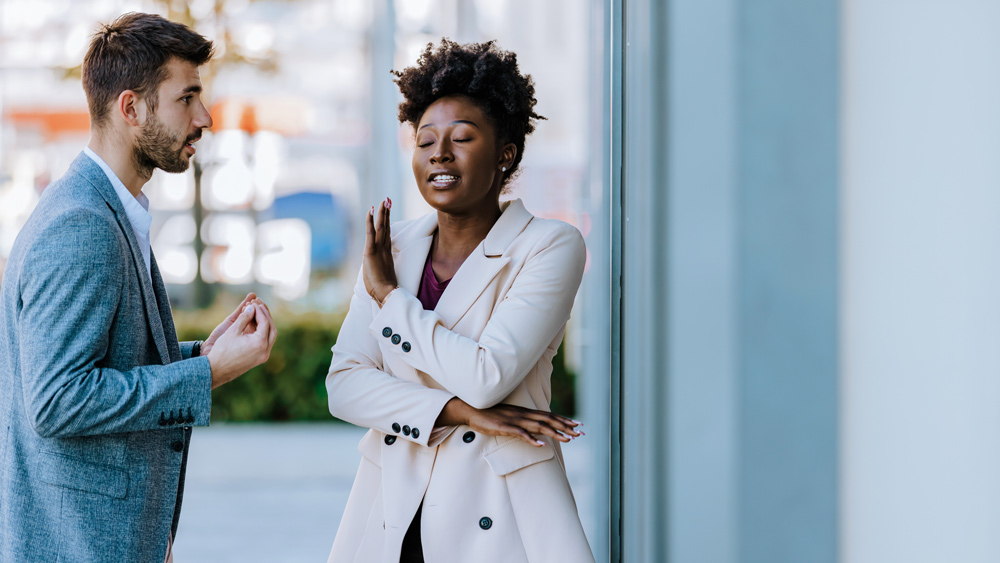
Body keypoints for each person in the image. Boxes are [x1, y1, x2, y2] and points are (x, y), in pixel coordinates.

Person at [0, 13, 277, 563]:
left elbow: (102, 364)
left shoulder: (104, 209)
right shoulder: (82, 224)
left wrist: (201, 356)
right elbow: (57, 401)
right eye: (187, 98)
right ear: (131, 108)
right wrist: (206, 375)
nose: (205, 117)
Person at [326, 39, 595, 563]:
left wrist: (389, 298)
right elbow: (344, 386)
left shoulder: (549, 245)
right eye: (425, 141)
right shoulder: (393, 248)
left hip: (500, 511)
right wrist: (462, 413)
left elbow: (485, 376)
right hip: (392, 511)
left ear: (506, 154)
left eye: (462, 138)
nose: (439, 154)